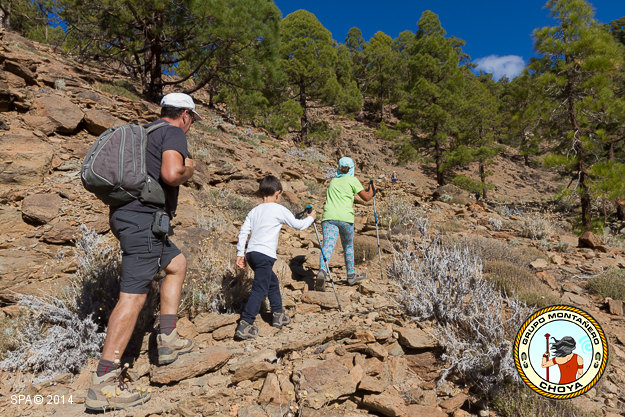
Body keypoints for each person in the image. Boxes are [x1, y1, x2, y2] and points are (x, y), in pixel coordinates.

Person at [86, 93, 200, 411]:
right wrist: (190, 167)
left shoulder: (148, 131)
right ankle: (104, 383)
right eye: (192, 119)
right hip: (144, 221)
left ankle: (167, 338)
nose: (191, 126)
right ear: (185, 115)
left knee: (176, 263)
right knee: (133, 297)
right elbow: (172, 174)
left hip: (133, 217)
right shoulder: (173, 131)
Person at [235, 175, 316, 340]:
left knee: (271, 282)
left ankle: (278, 314)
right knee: (260, 289)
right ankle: (245, 323)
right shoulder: (278, 209)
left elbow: (243, 232)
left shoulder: (254, 210)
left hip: (252, 254)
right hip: (265, 255)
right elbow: (298, 225)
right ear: (278, 193)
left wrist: (239, 254)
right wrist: (311, 218)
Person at [316, 157, 374, 291]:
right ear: (352, 168)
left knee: (328, 245)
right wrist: (372, 188)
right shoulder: (353, 180)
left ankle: (322, 271)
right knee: (348, 246)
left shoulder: (333, 181)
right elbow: (366, 198)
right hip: (345, 218)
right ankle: (351, 275)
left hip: (329, 217)